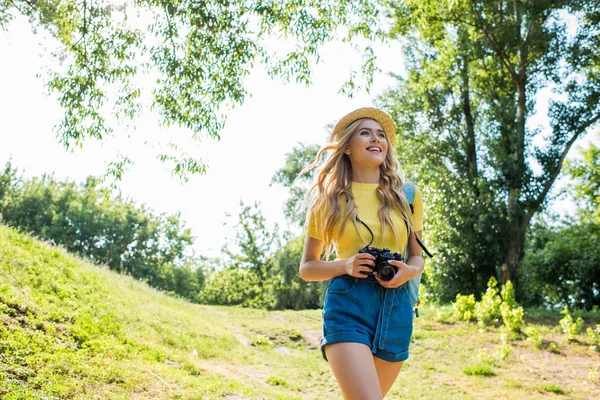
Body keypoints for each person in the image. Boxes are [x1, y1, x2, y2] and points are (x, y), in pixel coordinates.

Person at [298, 107, 425, 399]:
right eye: (365, 132)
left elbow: (416, 257)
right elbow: (307, 268)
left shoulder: (408, 195)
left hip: (398, 308)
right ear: (346, 147)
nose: (376, 139)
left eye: (381, 135)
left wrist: (408, 270)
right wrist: (346, 264)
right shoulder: (328, 199)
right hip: (348, 306)